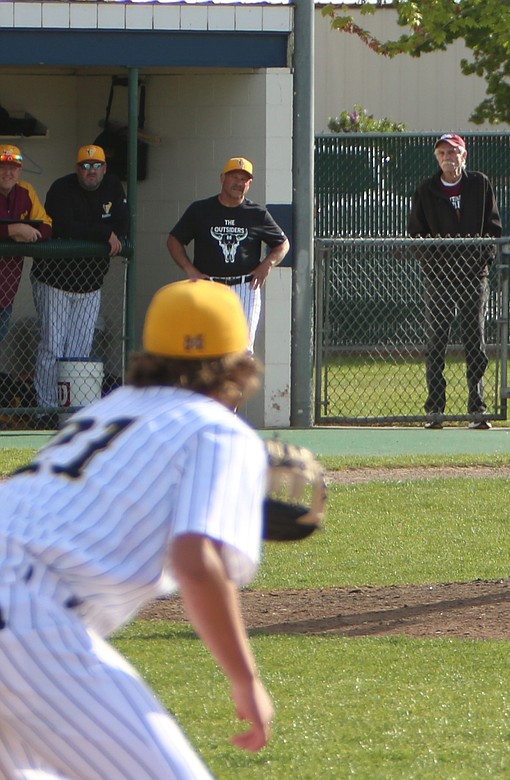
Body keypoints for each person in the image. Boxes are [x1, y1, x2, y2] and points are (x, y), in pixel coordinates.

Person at [0, 279, 274, 778]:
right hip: (25, 617)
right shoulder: (219, 428)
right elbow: (196, 558)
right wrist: (245, 679)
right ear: (240, 360)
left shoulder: (107, 408)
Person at [408, 133, 503, 430]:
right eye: (443, 153)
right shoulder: (427, 190)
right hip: (439, 277)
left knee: (475, 339)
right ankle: (435, 409)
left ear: (464, 155)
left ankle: (478, 409)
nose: (449, 157)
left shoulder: (480, 184)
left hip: (474, 275)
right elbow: (416, 234)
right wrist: (435, 264)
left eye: (454, 152)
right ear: (437, 158)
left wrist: (482, 260)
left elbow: (494, 227)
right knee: (437, 341)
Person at [36, 144, 130, 410]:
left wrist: (102, 232)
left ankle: (73, 410)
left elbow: (123, 224)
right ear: (77, 169)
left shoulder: (112, 187)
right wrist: (102, 233)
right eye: (85, 166)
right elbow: (64, 226)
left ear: (104, 168)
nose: (91, 171)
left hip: (90, 284)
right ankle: (46, 410)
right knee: (53, 347)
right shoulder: (61, 188)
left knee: (79, 351)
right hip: (54, 281)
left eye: (96, 165)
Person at [166, 157, 291, 352]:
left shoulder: (257, 213)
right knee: (205, 346)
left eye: (244, 179)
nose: (239, 183)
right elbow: (174, 240)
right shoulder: (201, 210)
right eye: (235, 177)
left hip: (245, 286)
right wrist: (190, 270)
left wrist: (267, 264)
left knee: (242, 350)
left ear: (249, 184)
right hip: (209, 285)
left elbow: (283, 244)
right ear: (222, 178)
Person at [0, 144, 52, 346]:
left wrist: (31, 234)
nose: (8, 172)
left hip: (6, 288)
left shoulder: (25, 191)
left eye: (13, 167)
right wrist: (14, 230)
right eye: (3, 167)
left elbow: (46, 224)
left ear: (20, 170)